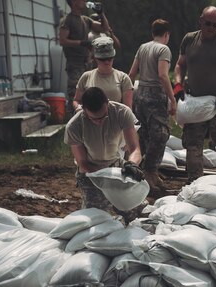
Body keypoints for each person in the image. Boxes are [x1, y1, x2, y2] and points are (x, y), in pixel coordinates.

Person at [173, 6, 216, 183]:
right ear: (201, 21)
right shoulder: (189, 39)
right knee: (193, 146)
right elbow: (180, 64)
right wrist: (178, 84)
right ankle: (195, 183)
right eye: (208, 23)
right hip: (195, 103)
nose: (211, 28)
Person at [64, 87, 144, 220]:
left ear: (107, 102)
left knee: (132, 210)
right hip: (91, 173)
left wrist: (132, 165)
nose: (100, 121)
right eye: (94, 119)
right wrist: (105, 176)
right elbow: (82, 162)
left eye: (103, 116)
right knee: (97, 217)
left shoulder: (121, 112)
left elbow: (135, 148)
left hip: (116, 166)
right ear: (84, 110)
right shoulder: (74, 126)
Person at [128, 19, 176, 194]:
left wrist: (128, 96)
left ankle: (145, 172)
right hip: (155, 95)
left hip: (140, 94)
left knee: (144, 134)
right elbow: (163, 75)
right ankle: (150, 171)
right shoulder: (163, 49)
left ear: (152, 32)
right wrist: (172, 98)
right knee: (160, 135)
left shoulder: (143, 47)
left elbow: (132, 73)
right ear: (167, 34)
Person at [59, 0, 109, 118]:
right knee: (75, 94)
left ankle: (88, 119)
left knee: (88, 92)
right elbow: (62, 40)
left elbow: (105, 28)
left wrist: (101, 13)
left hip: (86, 63)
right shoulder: (68, 20)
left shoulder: (85, 19)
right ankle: (72, 121)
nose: (85, 1)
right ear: (74, 2)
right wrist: (82, 43)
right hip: (75, 63)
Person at [73, 36, 133, 111]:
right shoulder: (86, 77)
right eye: (103, 59)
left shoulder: (123, 78)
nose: (107, 62)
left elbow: (128, 109)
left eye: (109, 58)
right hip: (91, 120)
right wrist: (78, 108)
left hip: (116, 120)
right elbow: (77, 100)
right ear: (95, 58)